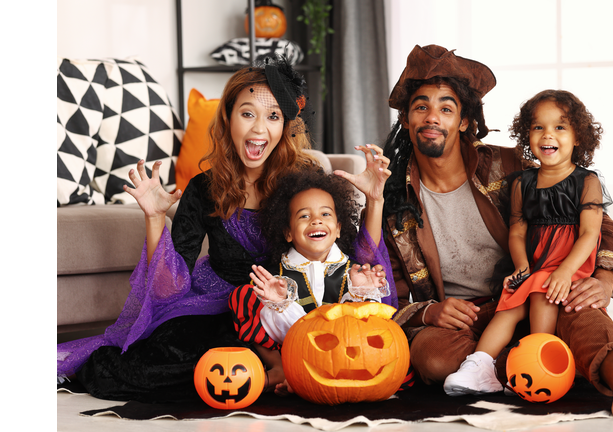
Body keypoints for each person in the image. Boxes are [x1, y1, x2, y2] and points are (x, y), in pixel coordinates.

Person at [56, 57, 393, 402]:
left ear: (286, 126)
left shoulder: (303, 182)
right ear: (228, 118)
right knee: (155, 367)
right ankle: (276, 371)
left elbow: (355, 261)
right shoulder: (203, 188)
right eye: (248, 113)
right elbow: (167, 288)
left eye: (273, 116)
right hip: (217, 306)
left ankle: (277, 368)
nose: (259, 129)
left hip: (295, 308)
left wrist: (375, 200)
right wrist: (156, 217)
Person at [382, 44, 613, 418]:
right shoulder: (394, 202)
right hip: (468, 320)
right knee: (432, 358)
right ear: (406, 118)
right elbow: (391, 291)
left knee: (581, 313)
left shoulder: (509, 165)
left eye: (446, 108)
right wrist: (430, 312)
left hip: (540, 292)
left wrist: (603, 277)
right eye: (422, 107)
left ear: (464, 121)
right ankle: (540, 361)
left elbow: (598, 223)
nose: (432, 117)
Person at [443, 89, 613, 395]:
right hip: (536, 264)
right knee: (509, 302)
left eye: (560, 127)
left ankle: (538, 362)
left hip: (569, 265)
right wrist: (521, 264)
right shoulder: (523, 182)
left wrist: (564, 271)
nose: (548, 134)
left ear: (578, 138)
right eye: (538, 127)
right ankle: (479, 365)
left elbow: (590, 234)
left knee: (541, 293)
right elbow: (518, 231)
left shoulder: (586, 181)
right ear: (527, 136)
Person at [228, 170, 394, 393]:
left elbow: (360, 327)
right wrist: (279, 304)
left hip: (342, 354)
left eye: (325, 214)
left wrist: (362, 293)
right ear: (288, 232)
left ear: (338, 229)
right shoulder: (277, 276)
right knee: (246, 295)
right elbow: (275, 329)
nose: (316, 220)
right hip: (291, 353)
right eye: (304, 216)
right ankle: (279, 368)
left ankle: (304, 377)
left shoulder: (353, 272)